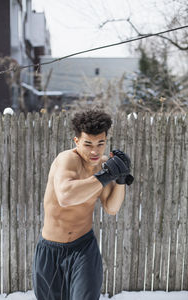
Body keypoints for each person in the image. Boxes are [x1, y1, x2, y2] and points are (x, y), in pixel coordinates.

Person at [32, 109, 134, 300]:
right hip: (50, 251)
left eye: (100, 144)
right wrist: (105, 176)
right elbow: (66, 196)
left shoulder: (103, 166)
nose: (95, 151)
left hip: (83, 249)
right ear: (76, 141)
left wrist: (120, 179)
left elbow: (112, 208)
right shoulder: (67, 160)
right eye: (88, 144)